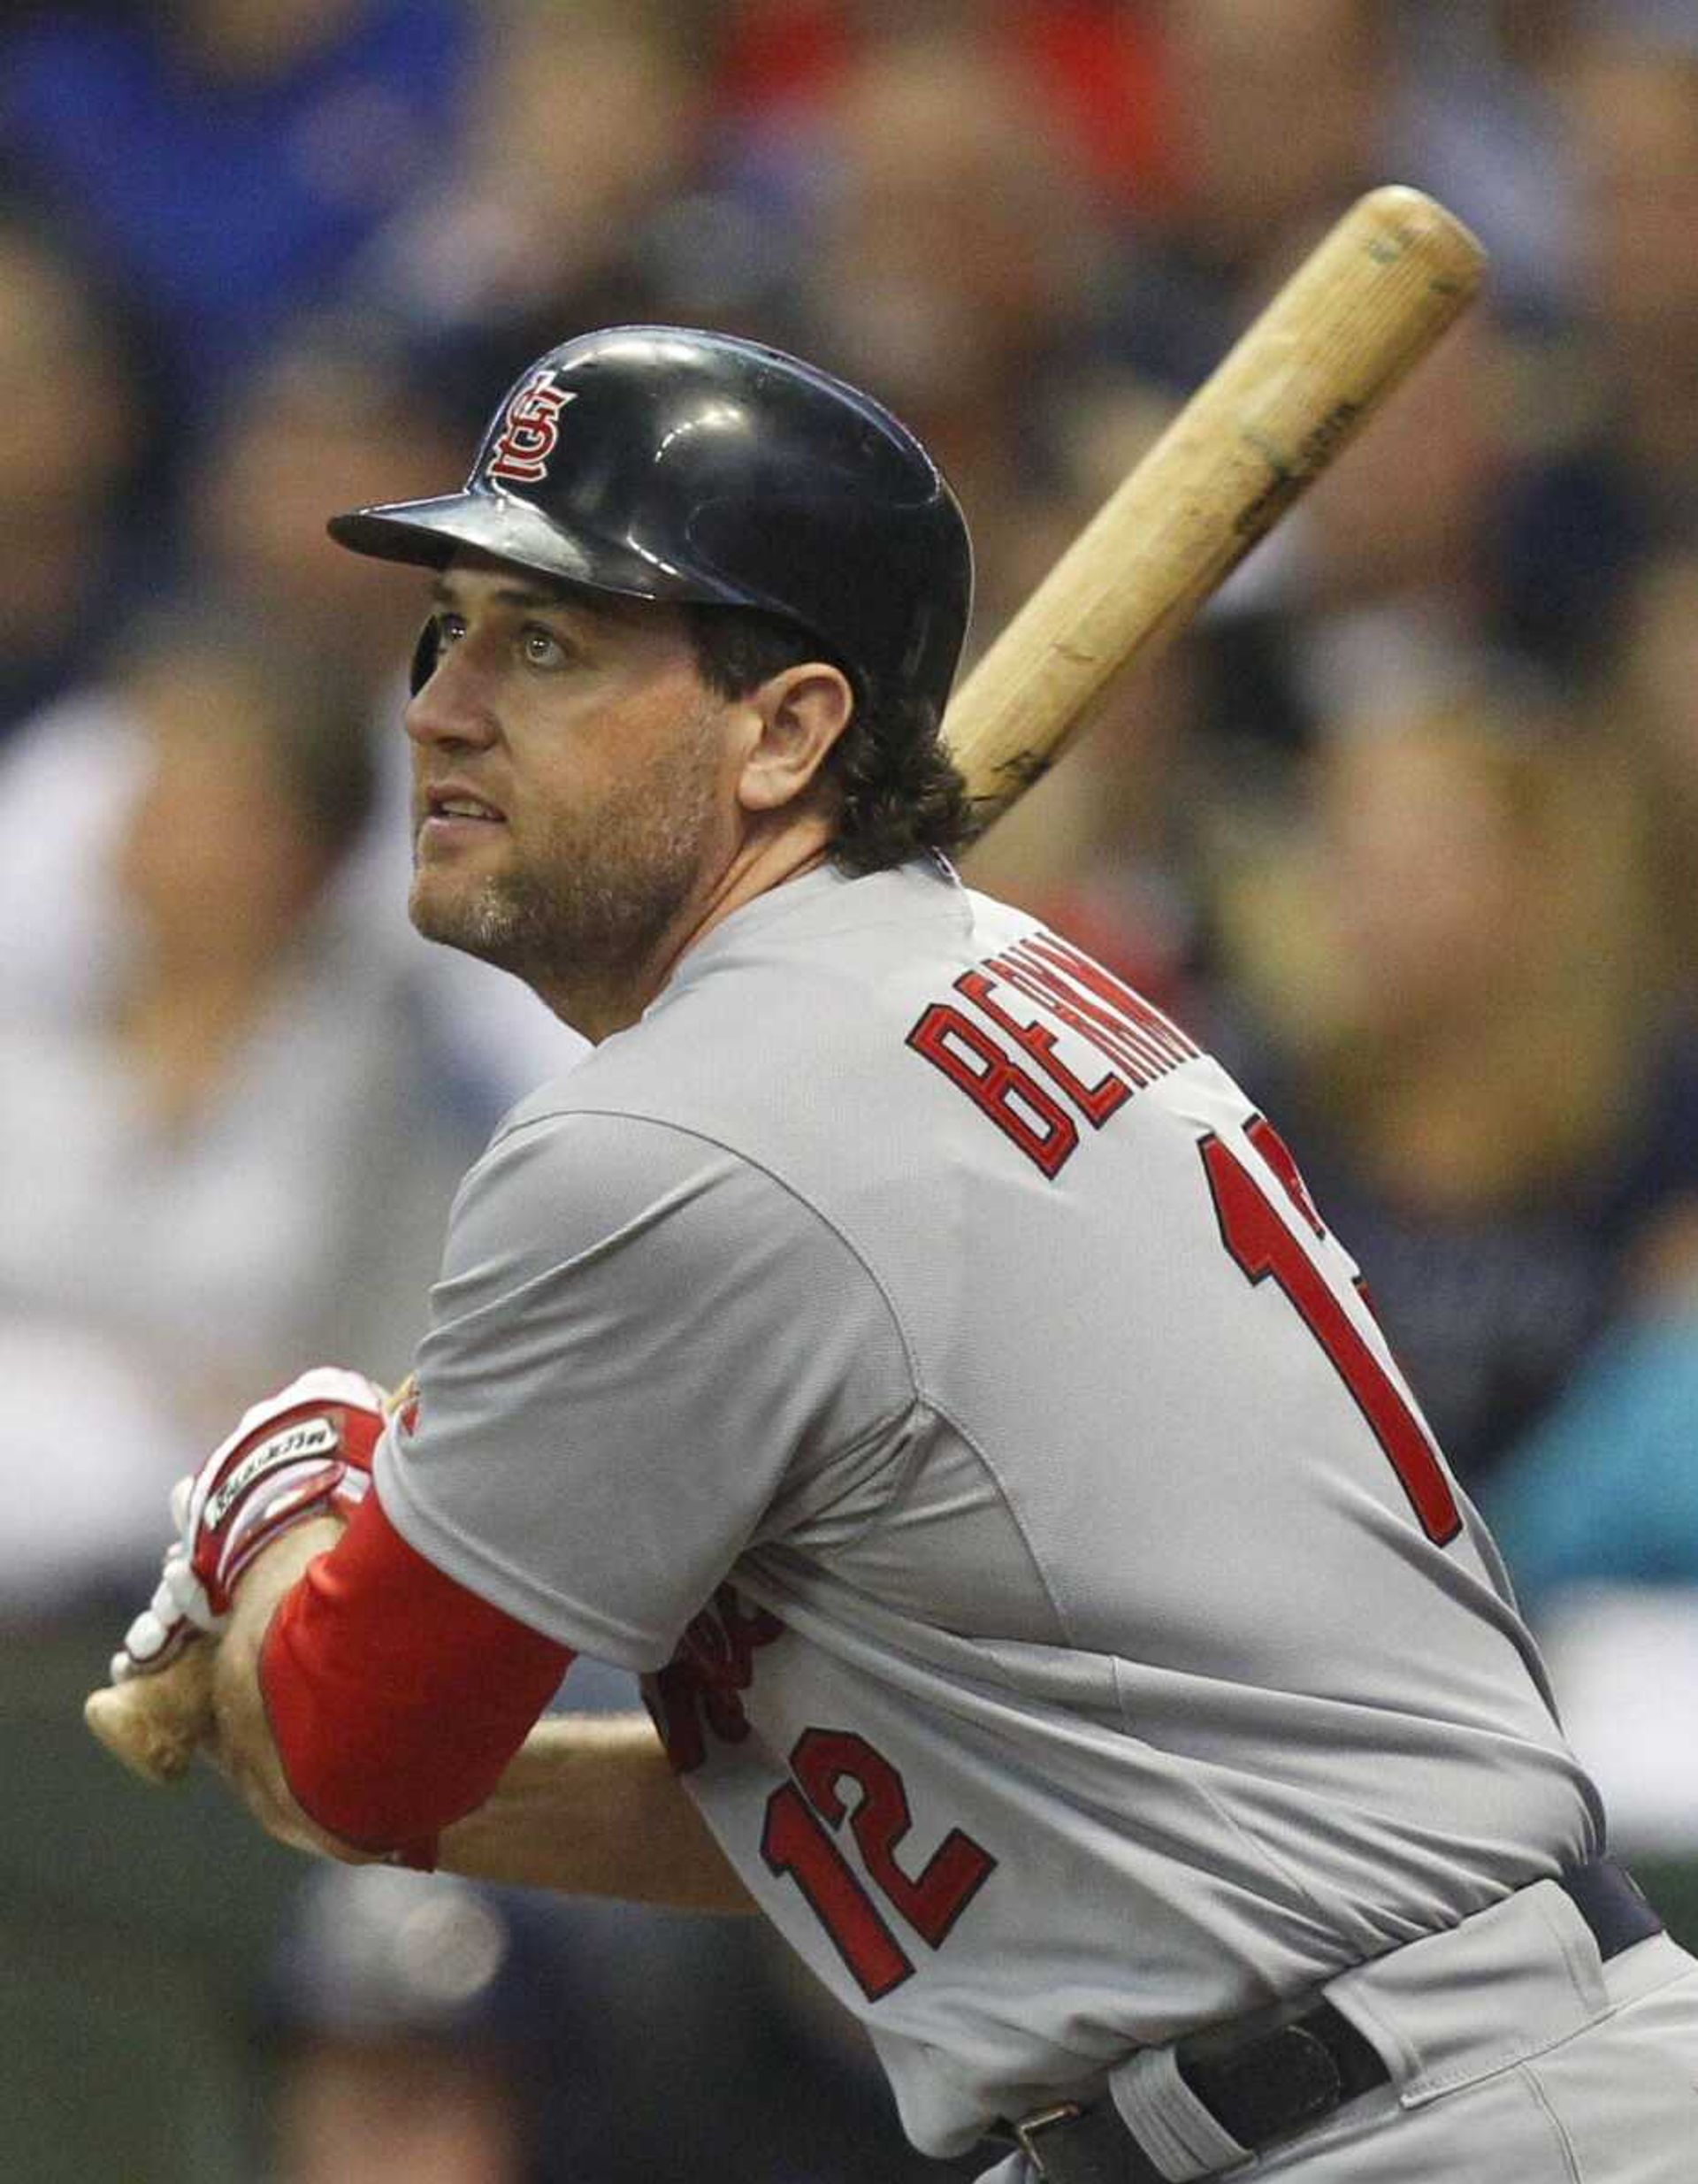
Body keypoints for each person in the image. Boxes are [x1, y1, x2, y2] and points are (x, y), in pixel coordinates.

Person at [103, 326, 1698, 2183]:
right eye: (448, 627)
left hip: (1437, 2117)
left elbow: (354, 1738)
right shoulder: (995, 989)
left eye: (548, 642)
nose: (444, 706)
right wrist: (356, 1747)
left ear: (789, 726)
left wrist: (286, 1481)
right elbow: (876, 1800)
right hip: (1380, 2074)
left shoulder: (684, 1131)